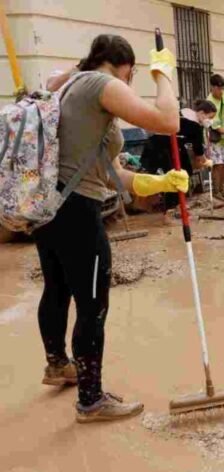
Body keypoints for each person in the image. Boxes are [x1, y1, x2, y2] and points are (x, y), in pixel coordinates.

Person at [34, 34, 188, 423]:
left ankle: (58, 365)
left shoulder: (69, 85)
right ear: (126, 68)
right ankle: (90, 400)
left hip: (48, 207)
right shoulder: (103, 84)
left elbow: (106, 172)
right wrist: (164, 76)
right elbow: (169, 121)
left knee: (57, 288)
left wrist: (156, 182)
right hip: (76, 212)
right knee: (92, 304)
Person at [141, 99, 216, 221]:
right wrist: (206, 161)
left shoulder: (183, 113)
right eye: (210, 117)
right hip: (163, 148)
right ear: (202, 113)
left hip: (162, 146)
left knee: (185, 170)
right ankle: (169, 213)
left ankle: (177, 206)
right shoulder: (195, 125)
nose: (210, 121)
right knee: (175, 178)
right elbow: (198, 152)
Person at [207, 73, 224, 203]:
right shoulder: (209, 102)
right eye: (219, 89)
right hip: (214, 137)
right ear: (212, 88)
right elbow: (215, 125)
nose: (222, 91)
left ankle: (223, 188)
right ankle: (216, 191)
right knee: (217, 164)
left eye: (223, 88)